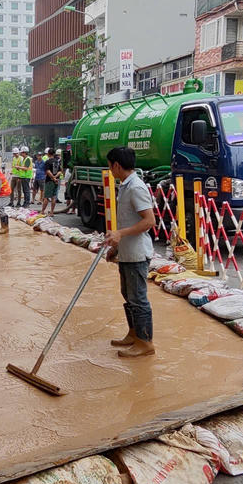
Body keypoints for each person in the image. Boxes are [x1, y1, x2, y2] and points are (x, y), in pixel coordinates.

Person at [104, 146, 158, 358]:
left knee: (138, 299)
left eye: (110, 166)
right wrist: (115, 246)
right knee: (128, 295)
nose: (110, 170)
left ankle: (145, 342)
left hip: (136, 253)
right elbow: (126, 220)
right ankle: (133, 334)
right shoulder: (125, 186)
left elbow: (149, 221)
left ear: (116, 165)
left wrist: (120, 234)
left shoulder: (136, 187)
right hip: (127, 252)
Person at [0, 162, 12, 234]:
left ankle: (5, 227)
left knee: (0, 209)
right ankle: (4, 227)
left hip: (4, 192)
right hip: (1, 192)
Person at [41, 149, 63, 216]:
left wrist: (53, 178)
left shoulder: (47, 162)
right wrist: (56, 177)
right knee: (53, 197)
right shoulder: (57, 161)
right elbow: (60, 171)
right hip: (56, 181)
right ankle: (52, 212)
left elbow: (47, 171)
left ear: (48, 154)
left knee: (46, 197)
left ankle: (42, 211)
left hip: (49, 181)